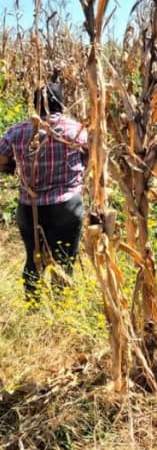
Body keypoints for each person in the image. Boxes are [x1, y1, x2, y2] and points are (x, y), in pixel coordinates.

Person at [0, 83, 88, 303]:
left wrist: (11, 167)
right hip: (67, 206)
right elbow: (93, 156)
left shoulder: (17, 131)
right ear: (61, 103)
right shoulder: (76, 130)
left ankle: (32, 306)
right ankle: (61, 308)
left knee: (33, 258)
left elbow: (1, 159)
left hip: (30, 207)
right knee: (64, 261)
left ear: (35, 105)